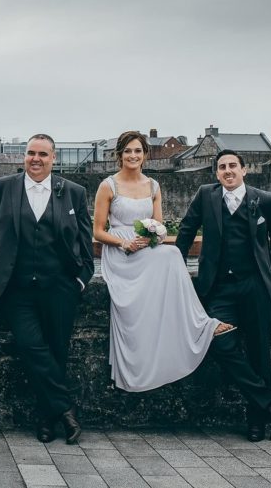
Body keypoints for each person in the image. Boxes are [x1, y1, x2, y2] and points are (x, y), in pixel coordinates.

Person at [0, 134, 93, 445]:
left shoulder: (74, 192)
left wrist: (81, 279)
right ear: (23, 157)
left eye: (42, 154)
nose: (35, 159)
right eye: (30, 153)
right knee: (32, 347)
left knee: (56, 352)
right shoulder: (1, 188)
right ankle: (66, 411)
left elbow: (84, 240)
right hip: (17, 288)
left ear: (54, 159)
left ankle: (46, 420)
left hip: (60, 286)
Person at [94, 130, 235, 393]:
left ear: (145, 155)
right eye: (128, 151)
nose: (133, 156)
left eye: (137, 151)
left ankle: (201, 324)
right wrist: (123, 242)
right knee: (167, 259)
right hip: (120, 252)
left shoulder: (153, 186)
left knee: (171, 254)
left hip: (145, 247)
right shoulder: (108, 186)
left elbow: (159, 227)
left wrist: (151, 237)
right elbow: (98, 231)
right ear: (120, 155)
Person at [176, 149, 271, 442]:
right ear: (216, 173)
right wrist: (175, 266)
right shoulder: (206, 196)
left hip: (255, 287)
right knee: (217, 340)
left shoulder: (263, 199)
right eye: (222, 167)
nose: (228, 171)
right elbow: (186, 231)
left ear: (243, 170)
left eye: (233, 166)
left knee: (258, 353)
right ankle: (269, 398)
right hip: (219, 288)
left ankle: (257, 422)